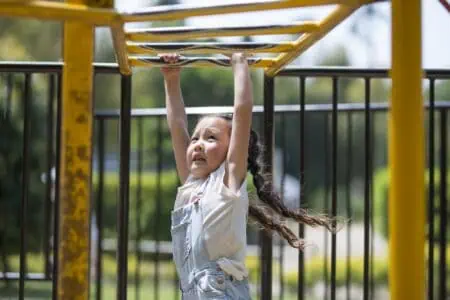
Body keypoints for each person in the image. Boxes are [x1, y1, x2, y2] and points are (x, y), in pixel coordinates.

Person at [160, 53, 337, 299]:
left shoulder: (228, 179)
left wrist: (240, 66)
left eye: (211, 138)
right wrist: (171, 79)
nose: (198, 144)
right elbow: (178, 124)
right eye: (196, 138)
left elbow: (242, 111)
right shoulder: (191, 184)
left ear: (231, 149)